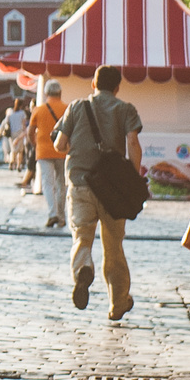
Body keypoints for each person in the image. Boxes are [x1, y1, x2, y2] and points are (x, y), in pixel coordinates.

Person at [57, 64, 144, 321]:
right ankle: (118, 304)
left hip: (80, 183)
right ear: (117, 87)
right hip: (112, 189)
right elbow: (133, 142)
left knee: (82, 238)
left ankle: (83, 269)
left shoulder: (75, 107)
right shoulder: (126, 109)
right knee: (114, 247)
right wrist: (132, 177)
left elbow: (61, 144)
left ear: (93, 84)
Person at [31, 82, 69, 226]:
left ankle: (52, 213)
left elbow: (30, 131)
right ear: (60, 93)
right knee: (61, 183)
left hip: (43, 151)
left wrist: (35, 144)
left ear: (46, 94)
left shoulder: (38, 110)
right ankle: (61, 216)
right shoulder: (66, 109)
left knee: (48, 183)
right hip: (62, 150)